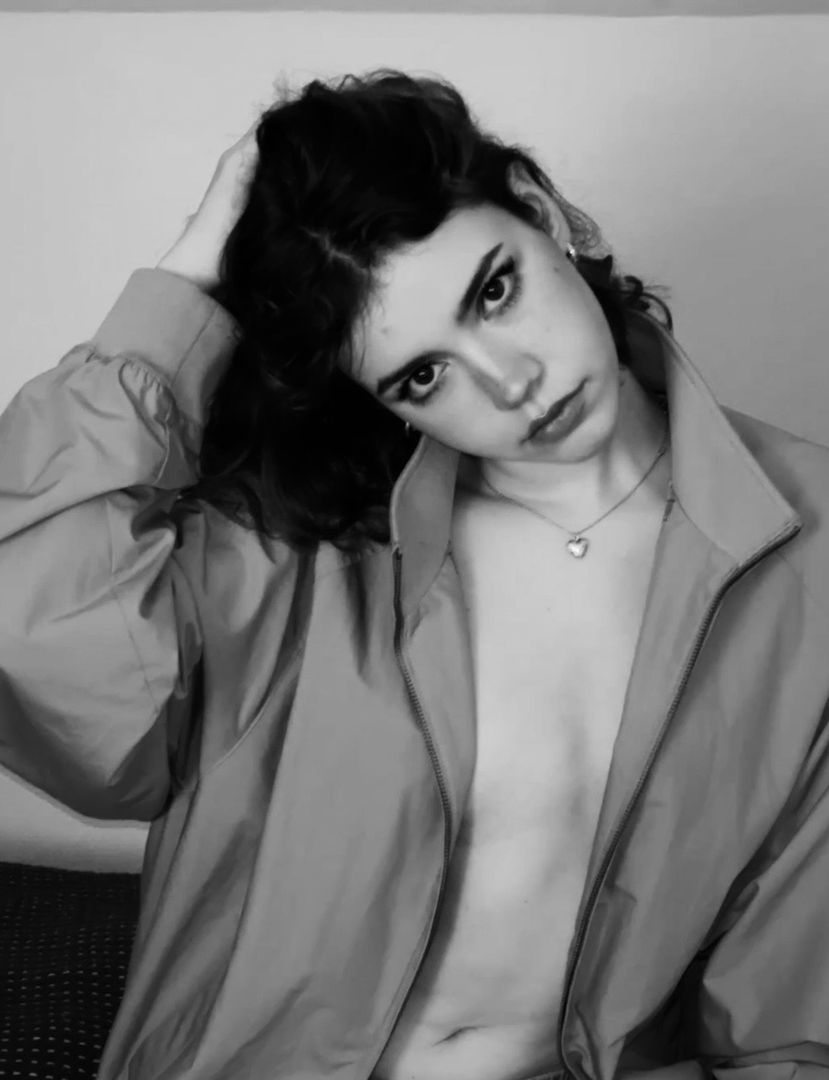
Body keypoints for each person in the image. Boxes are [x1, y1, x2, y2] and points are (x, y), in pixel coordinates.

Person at [1, 68, 829, 1080]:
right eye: (424, 374)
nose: (511, 383)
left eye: (494, 291)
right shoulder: (304, 551)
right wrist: (179, 292)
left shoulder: (807, 553)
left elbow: (795, 1011)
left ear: (541, 214)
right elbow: (41, 651)